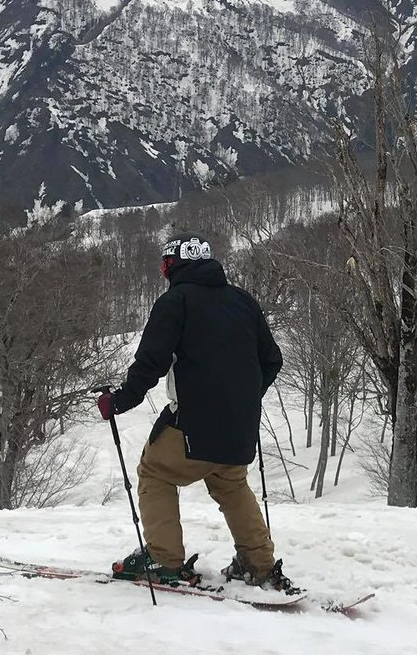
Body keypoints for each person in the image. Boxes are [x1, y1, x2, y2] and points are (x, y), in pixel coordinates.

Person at [96, 231, 287, 590]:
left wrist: (119, 401)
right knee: (230, 483)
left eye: (164, 265)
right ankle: (259, 564)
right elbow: (272, 360)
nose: (162, 272)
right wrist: (243, 397)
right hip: (240, 427)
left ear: (172, 265)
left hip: (194, 426)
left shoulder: (176, 302)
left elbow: (150, 363)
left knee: (155, 471)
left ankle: (164, 560)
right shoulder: (242, 301)